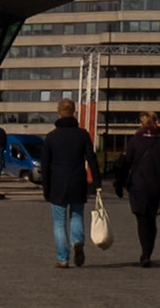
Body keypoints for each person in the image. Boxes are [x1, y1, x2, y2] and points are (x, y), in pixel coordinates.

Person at [112, 112, 160, 269]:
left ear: (142, 124)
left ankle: (145, 253)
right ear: (156, 123)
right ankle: (148, 253)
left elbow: (126, 164)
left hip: (138, 186)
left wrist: (119, 184)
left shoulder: (135, 141)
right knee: (151, 219)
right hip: (156, 186)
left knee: (142, 220)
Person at [39, 98, 99, 269]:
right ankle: (77, 242)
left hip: (58, 182)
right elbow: (91, 159)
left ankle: (62, 258)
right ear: (74, 112)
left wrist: (46, 186)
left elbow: (45, 165)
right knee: (77, 214)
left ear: (58, 112)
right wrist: (97, 181)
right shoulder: (82, 134)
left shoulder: (51, 137)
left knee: (59, 221)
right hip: (78, 180)